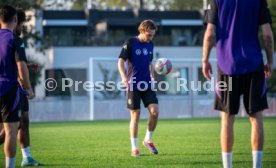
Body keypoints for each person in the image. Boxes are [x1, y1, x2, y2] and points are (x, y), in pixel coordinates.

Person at [202, 0, 274, 168]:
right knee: (256, 117)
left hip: (227, 67)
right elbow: (267, 35)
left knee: (227, 118)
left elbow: (210, 33)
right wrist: (270, 60)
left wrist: (205, 60)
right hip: (253, 64)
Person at [0, 8, 43, 167]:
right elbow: (20, 67)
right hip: (9, 89)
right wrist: (29, 88)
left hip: (8, 89)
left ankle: (27, 157)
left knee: (17, 125)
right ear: (16, 20)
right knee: (10, 131)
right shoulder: (15, 41)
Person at [118, 19, 159, 157]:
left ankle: (148, 140)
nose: (150, 38)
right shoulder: (130, 43)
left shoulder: (150, 45)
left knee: (155, 112)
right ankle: (134, 149)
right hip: (133, 84)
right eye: (149, 35)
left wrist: (152, 77)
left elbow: (149, 63)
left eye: (152, 35)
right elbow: (120, 61)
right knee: (136, 115)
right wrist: (124, 77)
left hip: (147, 84)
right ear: (141, 31)